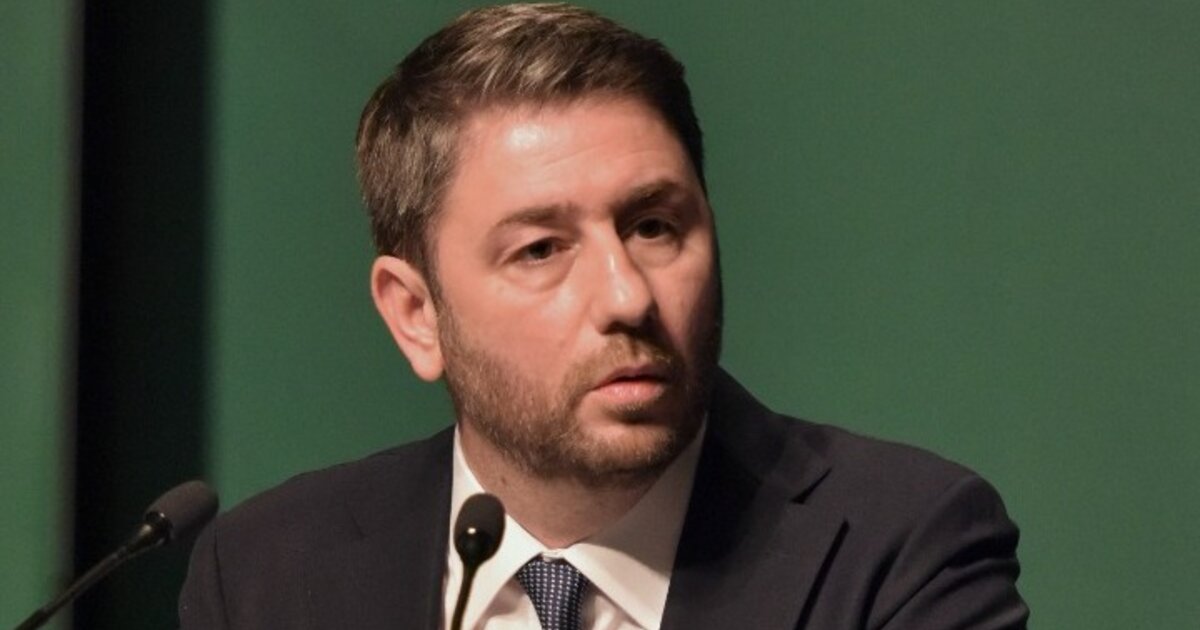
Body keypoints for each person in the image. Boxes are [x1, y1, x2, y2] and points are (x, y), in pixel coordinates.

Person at [178, 4, 1028, 628]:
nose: (628, 297)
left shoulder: (899, 548)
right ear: (415, 314)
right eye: (541, 249)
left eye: (654, 227)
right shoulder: (266, 578)